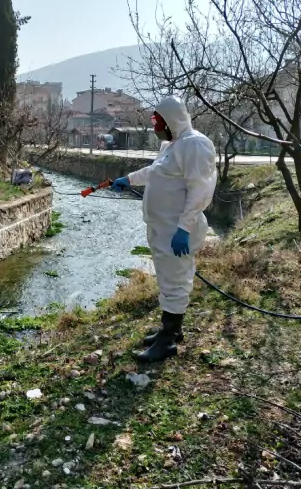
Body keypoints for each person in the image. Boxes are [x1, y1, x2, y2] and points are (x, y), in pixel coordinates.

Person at [111, 96, 217, 362]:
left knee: (176, 283)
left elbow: (200, 190)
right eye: (154, 122)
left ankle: (168, 341)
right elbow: (155, 172)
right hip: (162, 227)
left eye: (158, 122)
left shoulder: (194, 145)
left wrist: (185, 227)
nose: (156, 127)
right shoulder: (172, 146)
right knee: (167, 280)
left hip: (177, 231)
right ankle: (170, 329)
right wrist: (129, 179)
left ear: (173, 120)